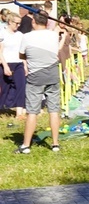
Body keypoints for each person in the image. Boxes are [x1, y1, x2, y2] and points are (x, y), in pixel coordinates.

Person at [15, 11, 64, 154]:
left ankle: (26, 145)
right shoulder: (54, 35)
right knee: (54, 110)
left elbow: (21, 55)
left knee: (32, 112)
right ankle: (55, 144)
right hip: (52, 75)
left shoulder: (27, 37)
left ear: (33, 22)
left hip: (35, 77)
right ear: (47, 22)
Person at [0, 12, 26, 122]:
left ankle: (19, 113)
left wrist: (25, 65)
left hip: (18, 63)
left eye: (20, 23)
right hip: (5, 63)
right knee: (4, 89)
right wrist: (5, 66)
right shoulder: (2, 33)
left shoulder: (20, 35)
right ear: (10, 22)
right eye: (16, 23)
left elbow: (22, 52)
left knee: (21, 86)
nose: (18, 25)